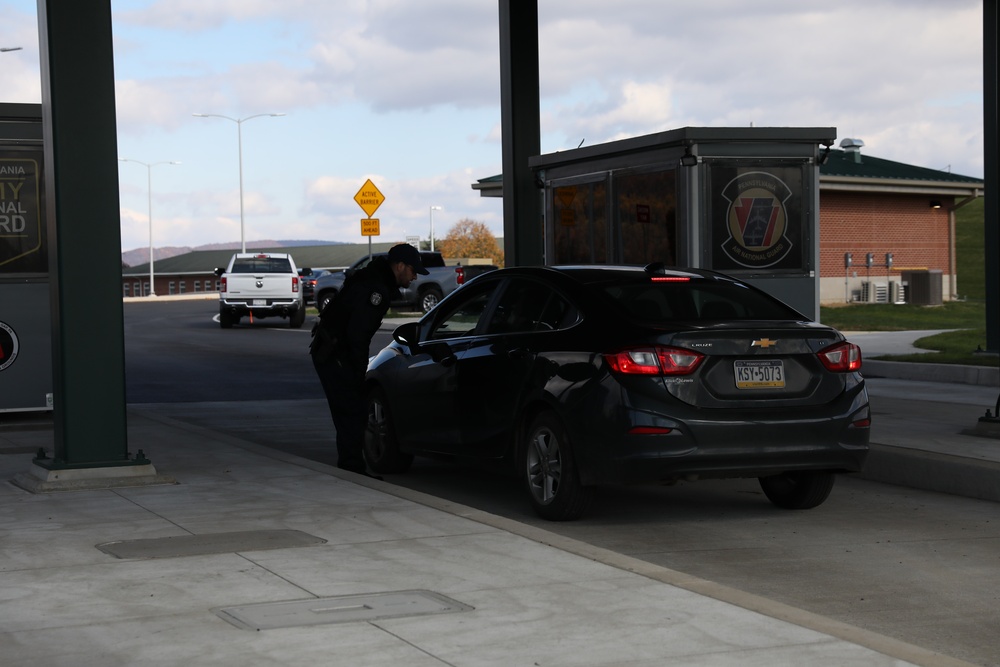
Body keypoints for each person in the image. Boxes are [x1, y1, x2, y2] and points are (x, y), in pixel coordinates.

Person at [310, 243, 428, 477]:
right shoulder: (376, 290)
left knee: (350, 411)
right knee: (352, 411)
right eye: (413, 270)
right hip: (335, 354)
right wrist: (359, 373)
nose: (415, 276)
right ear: (400, 266)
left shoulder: (373, 279)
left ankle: (351, 466)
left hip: (331, 350)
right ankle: (352, 468)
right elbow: (358, 336)